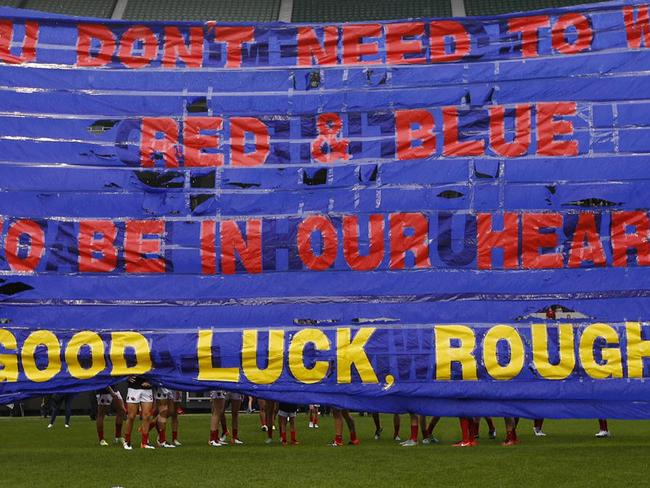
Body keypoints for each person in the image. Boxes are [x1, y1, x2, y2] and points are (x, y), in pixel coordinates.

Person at [123, 375, 155, 450]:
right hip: (134, 387)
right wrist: (126, 377)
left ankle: (144, 443)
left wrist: (151, 381)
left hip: (147, 388)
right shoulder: (132, 362)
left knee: (147, 416)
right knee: (131, 416)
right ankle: (127, 441)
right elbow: (123, 365)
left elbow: (155, 367)